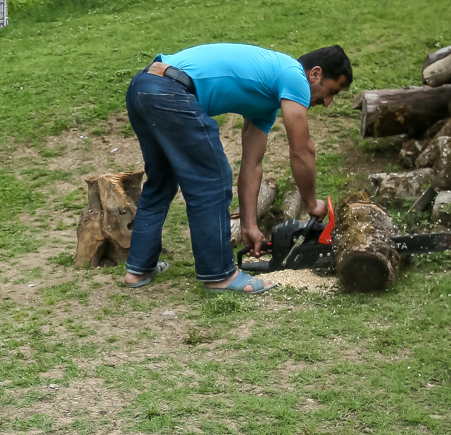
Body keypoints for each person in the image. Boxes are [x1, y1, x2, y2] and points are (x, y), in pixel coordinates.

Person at [121, 44, 352, 293]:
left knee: (162, 179)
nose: (328, 102)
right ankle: (219, 276)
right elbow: (302, 150)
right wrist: (310, 203)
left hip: (144, 86)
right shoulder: (294, 74)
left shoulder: (266, 104)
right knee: (213, 178)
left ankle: (139, 269)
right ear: (314, 74)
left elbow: (252, 165)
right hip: (169, 90)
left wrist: (249, 226)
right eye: (331, 92)